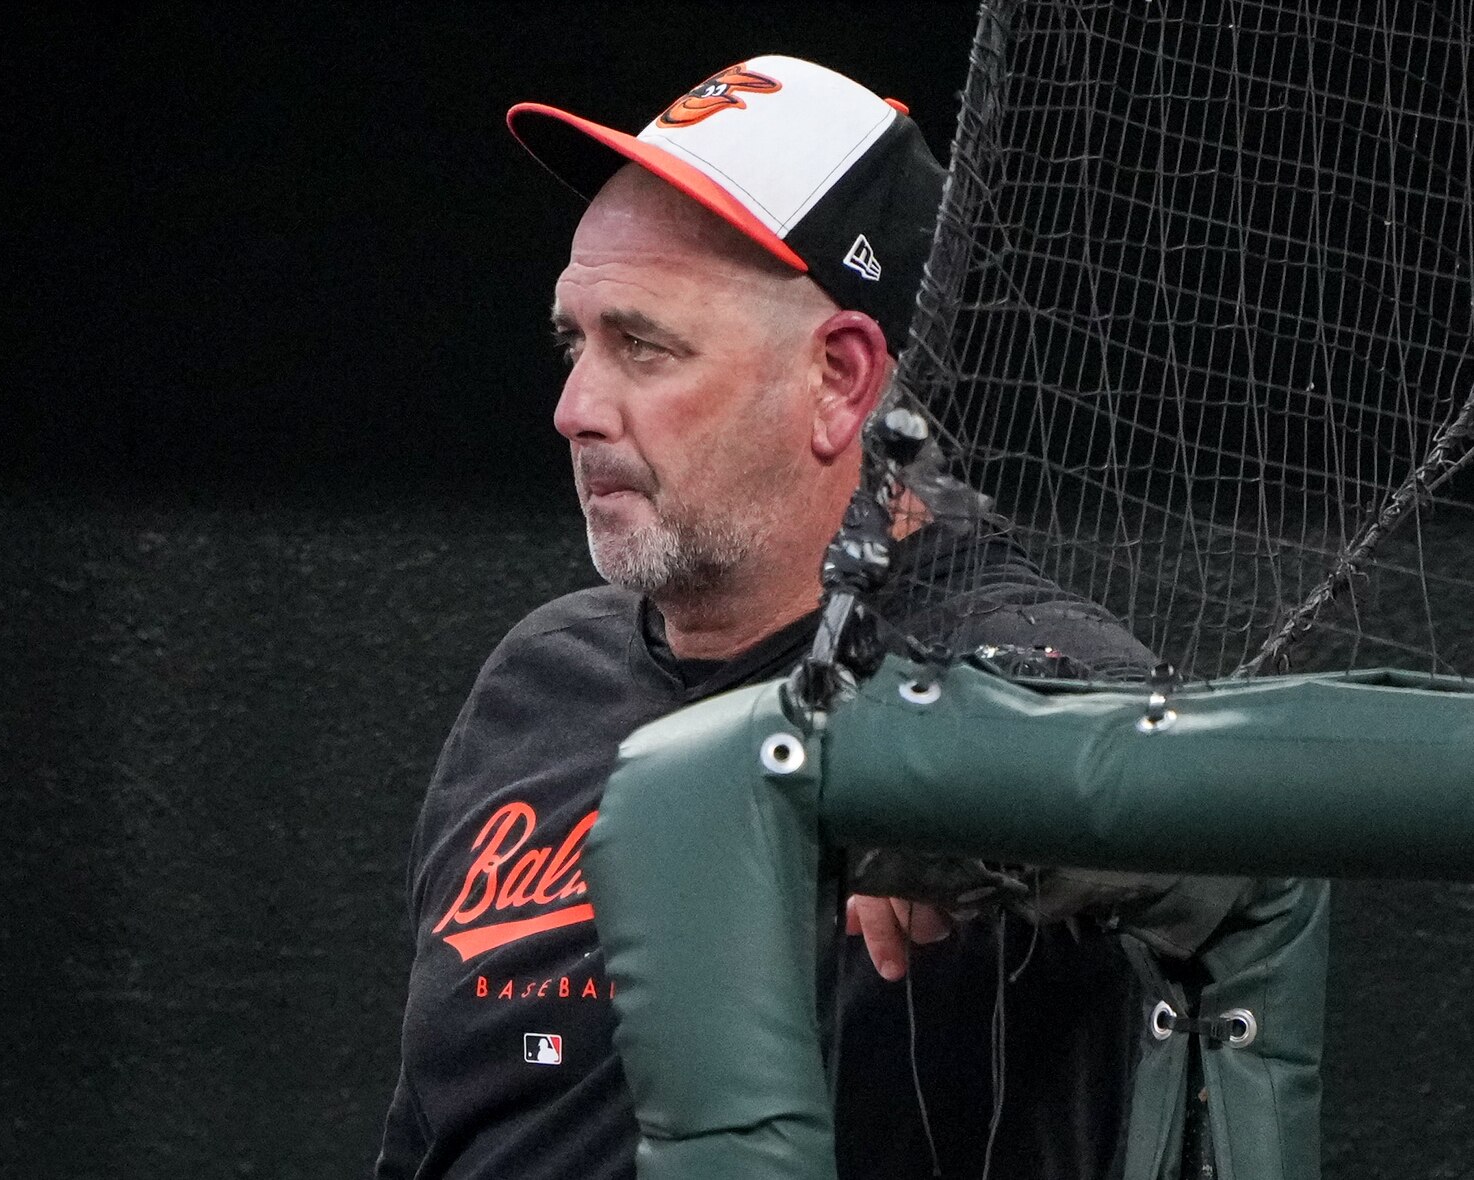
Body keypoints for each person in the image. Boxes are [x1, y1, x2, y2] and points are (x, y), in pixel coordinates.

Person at [376, 55, 1320, 1179]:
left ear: (840, 379)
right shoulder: (542, 678)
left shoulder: (1007, 669)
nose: (574, 407)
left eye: (644, 346)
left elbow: (1114, 730)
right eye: (575, 341)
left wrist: (948, 786)